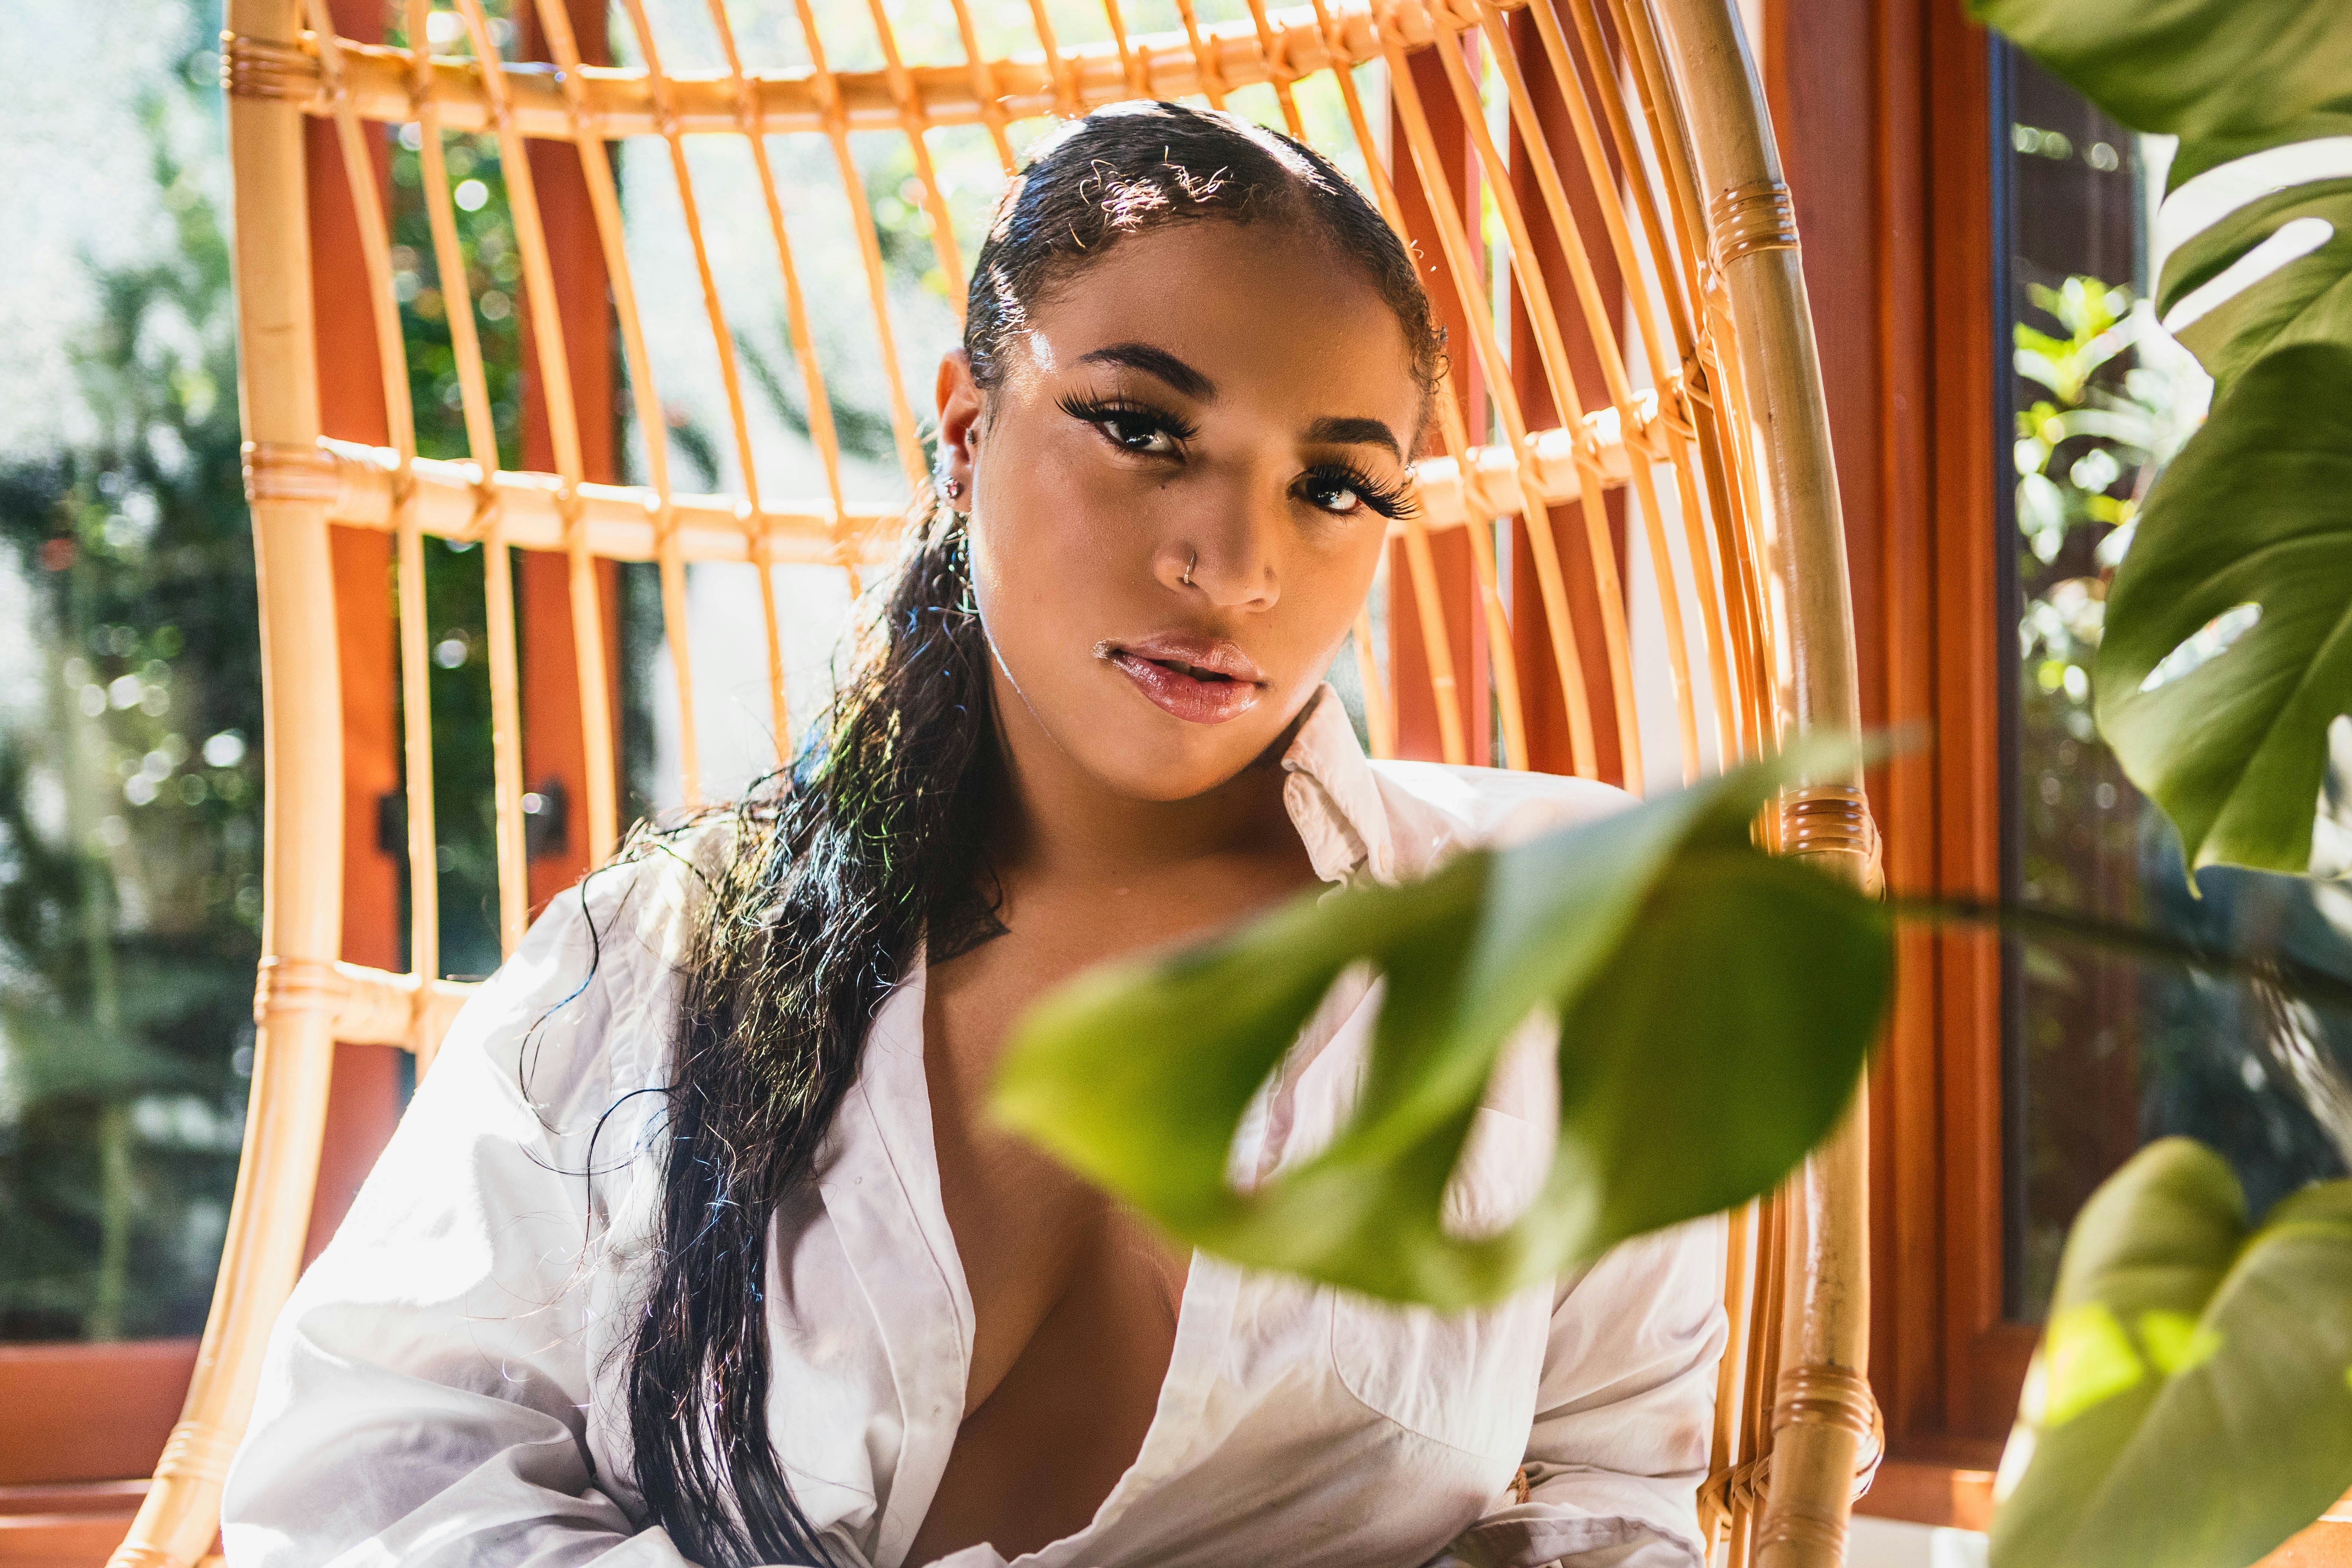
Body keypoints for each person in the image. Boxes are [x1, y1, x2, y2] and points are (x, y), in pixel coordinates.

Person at [221, 101, 1724, 1568]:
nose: (1236, 565)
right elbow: (361, 1485)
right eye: (1144, 429)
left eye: (1334, 485)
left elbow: (1626, 1488)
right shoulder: (655, 968)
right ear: (965, 425)